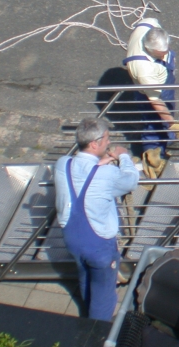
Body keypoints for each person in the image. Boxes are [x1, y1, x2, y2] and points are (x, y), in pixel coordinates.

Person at [54, 118, 139, 320]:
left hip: (72, 238)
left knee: (85, 277)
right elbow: (130, 181)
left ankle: (86, 309)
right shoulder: (107, 173)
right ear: (95, 143)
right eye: (107, 139)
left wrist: (99, 164)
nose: (109, 143)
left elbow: (82, 173)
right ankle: (97, 333)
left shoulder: (61, 164)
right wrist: (124, 157)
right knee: (104, 293)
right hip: (99, 244)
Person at [123, 18, 177, 158]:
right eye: (161, 53)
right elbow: (156, 101)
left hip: (162, 77)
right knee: (154, 122)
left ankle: (169, 138)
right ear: (149, 49)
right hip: (151, 93)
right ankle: (154, 154)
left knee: (167, 113)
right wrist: (173, 123)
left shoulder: (148, 25)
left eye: (167, 50)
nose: (165, 54)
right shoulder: (143, 69)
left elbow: (153, 20)